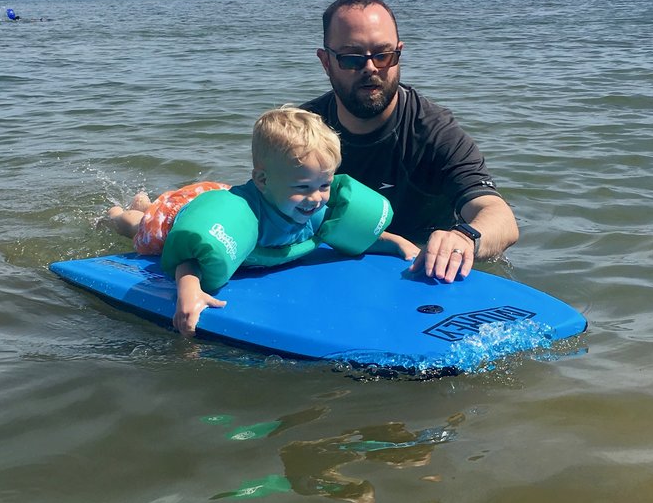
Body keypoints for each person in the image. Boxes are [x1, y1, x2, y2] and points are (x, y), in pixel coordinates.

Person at [104, 106, 419, 336]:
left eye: (324, 185)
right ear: (263, 180)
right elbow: (191, 258)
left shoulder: (315, 209)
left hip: (225, 203)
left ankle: (143, 203)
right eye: (302, 188)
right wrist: (189, 291)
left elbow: (356, 235)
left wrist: (399, 245)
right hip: (191, 213)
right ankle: (121, 214)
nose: (316, 198)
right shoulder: (248, 218)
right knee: (145, 230)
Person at [301, 0, 519, 284]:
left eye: (383, 55)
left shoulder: (433, 132)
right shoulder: (304, 131)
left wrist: (465, 237)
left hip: (419, 273)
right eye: (352, 59)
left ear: (399, 53)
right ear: (326, 62)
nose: (371, 68)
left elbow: (499, 216)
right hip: (336, 269)